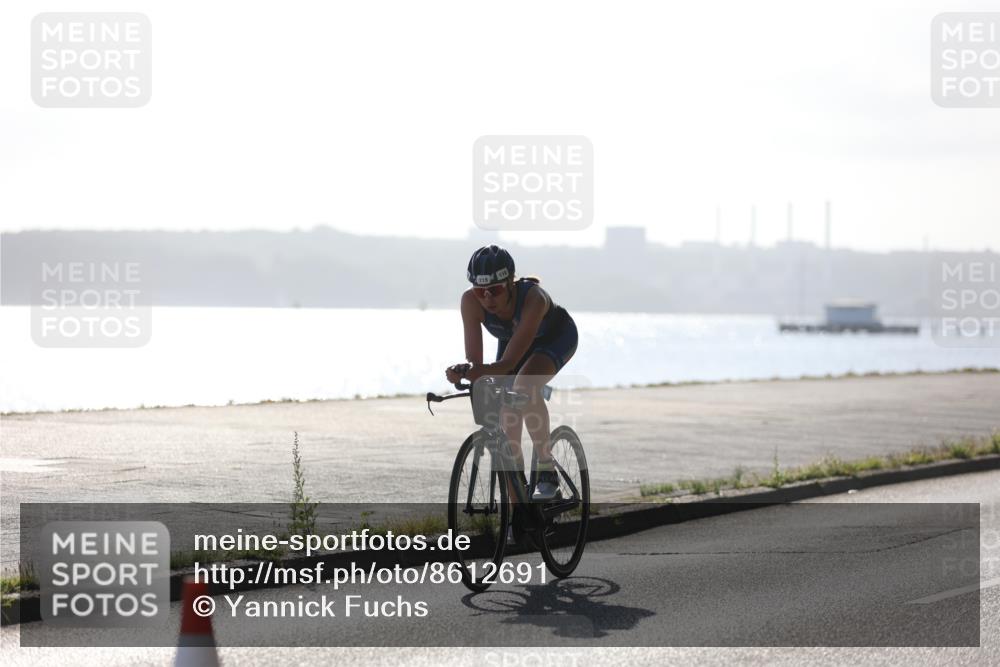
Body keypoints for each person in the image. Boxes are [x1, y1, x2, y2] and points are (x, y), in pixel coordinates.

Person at [445, 245, 579, 505]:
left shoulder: (534, 299)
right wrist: (463, 372)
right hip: (514, 342)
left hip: (555, 338)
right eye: (479, 290)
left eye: (494, 290)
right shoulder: (470, 302)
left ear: (510, 283)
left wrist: (478, 372)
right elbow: (477, 364)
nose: (486, 298)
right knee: (506, 417)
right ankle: (517, 506)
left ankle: (546, 470)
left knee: (524, 385)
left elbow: (509, 363)